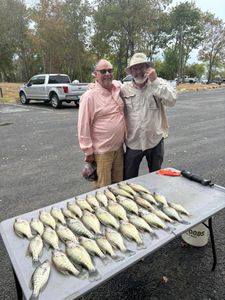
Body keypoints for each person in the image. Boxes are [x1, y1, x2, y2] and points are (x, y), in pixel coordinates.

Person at [121, 52, 177, 180]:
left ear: (148, 68)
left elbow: (172, 100)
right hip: (134, 142)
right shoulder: (124, 89)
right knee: (129, 179)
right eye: (135, 68)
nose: (138, 72)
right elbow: (108, 91)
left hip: (155, 141)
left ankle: (155, 198)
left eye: (142, 67)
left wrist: (155, 81)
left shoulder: (158, 83)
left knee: (156, 177)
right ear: (130, 72)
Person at [78, 59, 126, 188]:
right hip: (102, 152)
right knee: (103, 188)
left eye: (110, 71)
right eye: (103, 71)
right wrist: (88, 151)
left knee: (118, 185)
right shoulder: (89, 96)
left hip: (119, 149)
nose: (107, 74)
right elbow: (83, 126)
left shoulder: (116, 89)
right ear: (95, 74)